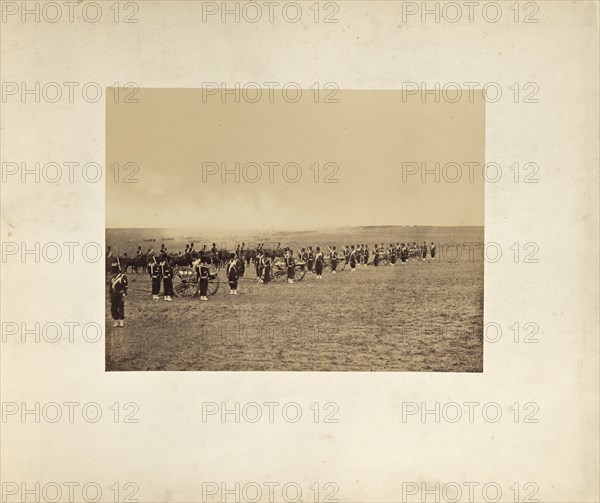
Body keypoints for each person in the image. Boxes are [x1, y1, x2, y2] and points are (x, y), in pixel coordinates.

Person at [109, 259, 128, 327]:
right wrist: (110, 295)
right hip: (114, 296)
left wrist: (124, 293)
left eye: (113, 273)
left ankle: (121, 321)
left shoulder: (121, 278)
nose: (113, 275)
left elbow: (125, 287)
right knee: (113, 308)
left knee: (120, 308)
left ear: (116, 273)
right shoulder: (112, 279)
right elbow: (110, 288)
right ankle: (116, 321)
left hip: (120, 295)